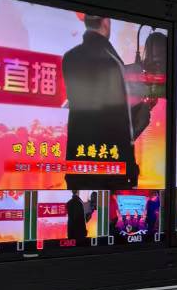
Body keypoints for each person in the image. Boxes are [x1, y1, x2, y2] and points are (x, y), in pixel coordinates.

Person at [62, 16, 158, 188]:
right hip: (112, 172)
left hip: (78, 168)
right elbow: (120, 128)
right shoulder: (112, 62)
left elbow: (94, 112)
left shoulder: (69, 58)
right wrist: (144, 110)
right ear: (106, 22)